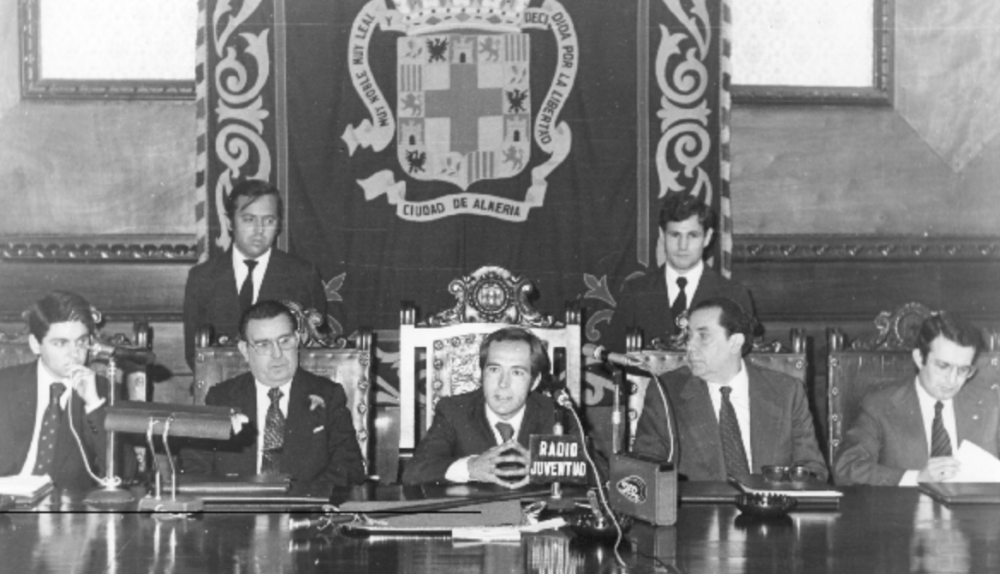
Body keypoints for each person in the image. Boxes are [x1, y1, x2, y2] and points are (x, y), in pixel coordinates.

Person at [632, 297, 828, 481]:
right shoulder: (667, 391)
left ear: (735, 343)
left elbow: (812, 468)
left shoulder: (787, 392)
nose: (690, 346)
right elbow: (646, 469)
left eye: (703, 336)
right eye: (689, 336)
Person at [181, 300, 365, 491]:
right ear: (245, 350)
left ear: (297, 339)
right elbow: (195, 467)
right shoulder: (221, 398)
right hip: (237, 505)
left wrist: (299, 499)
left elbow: (349, 467)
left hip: (304, 505)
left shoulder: (328, 395)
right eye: (263, 345)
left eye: (284, 341)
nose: (277, 354)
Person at [834, 312, 995, 486]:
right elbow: (845, 469)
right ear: (919, 359)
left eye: (963, 370)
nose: (952, 379)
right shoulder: (880, 405)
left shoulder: (990, 404)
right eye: (943, 366)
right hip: (906, 503)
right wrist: (915, 478)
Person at [183, 179, 328, 370]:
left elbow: (317, 350)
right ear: (229, 223)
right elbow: (194, 354)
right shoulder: (202, 277)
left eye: (268, 220)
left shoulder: (303, 275)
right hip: (222, 386)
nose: (259, 230)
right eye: (249, 219)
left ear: (278, 224)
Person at [403, 327, 564, 487]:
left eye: (517, 372)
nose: (503, 383)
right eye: (494, 369)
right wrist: (470, 467)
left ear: (534, 382)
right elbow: (414, 471)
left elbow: (579, 470)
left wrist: (544, 467)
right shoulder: (453, 411)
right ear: (482, 374)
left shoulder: (556, 414)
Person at [611, 194, 754, 347]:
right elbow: (615, 352)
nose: (683, 246)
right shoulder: (635, 293)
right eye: (675, 235)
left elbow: (743, 356)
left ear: (707, 237)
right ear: (662, 235)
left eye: (692, 235)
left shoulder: (734, 295)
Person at [0, 291, 108, 488]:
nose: (74, 353)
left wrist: (93, 406)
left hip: (64, 504)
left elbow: (125, 473)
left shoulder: (101, 392)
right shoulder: (4, 386)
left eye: (82, 341)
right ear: (35, 345)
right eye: (60, 343)